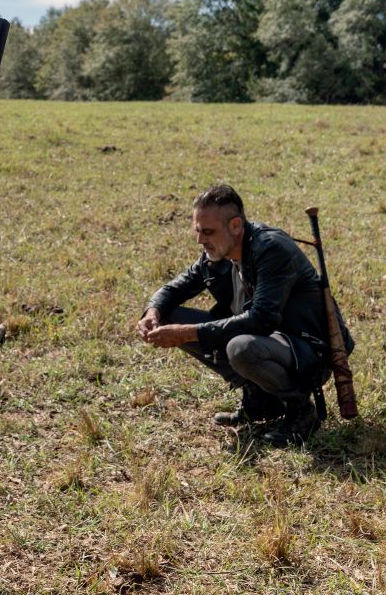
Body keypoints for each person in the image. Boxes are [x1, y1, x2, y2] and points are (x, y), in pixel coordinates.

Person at [136, 185, 331, 446]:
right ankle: (260, 400)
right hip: (264, 341)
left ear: (236, 225)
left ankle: (301, 409)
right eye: (197, 231)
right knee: (169, 316)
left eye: (208, 232)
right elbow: (175, 288)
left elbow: (262, 319)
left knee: (240, 348)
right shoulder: (218, 253)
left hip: (304, 348)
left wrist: (187, 333)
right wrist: (153, 312)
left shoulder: (272, 249)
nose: (200, 240)